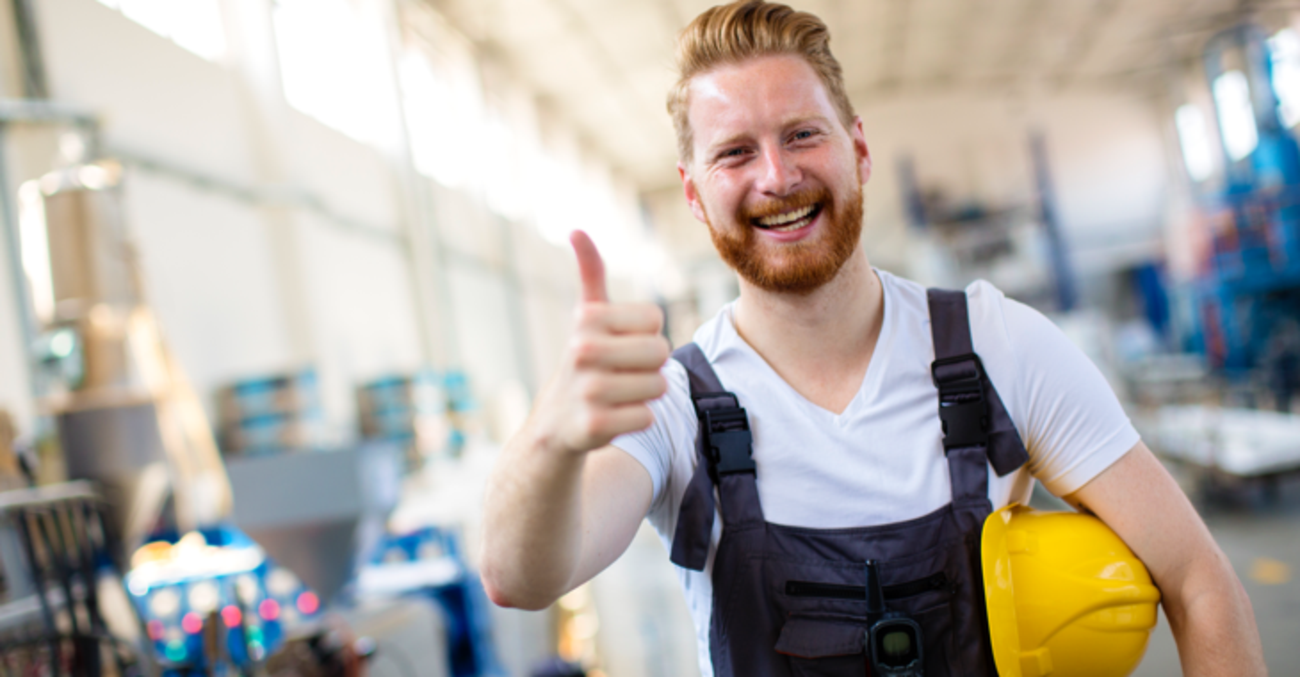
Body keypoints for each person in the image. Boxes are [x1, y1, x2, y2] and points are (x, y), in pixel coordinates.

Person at [480, 2, 1267, 675]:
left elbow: (1198, 577)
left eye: (801, 135)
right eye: (735, 152)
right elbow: (521, 576)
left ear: (858, 147)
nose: (778, 177)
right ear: (693, 192)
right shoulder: (676, 406)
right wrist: (550, 436)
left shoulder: (998, 347)